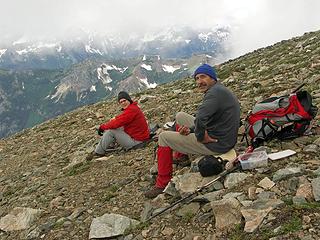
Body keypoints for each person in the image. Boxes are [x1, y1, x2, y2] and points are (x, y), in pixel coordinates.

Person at [144, 64, 241, 198]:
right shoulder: (218, 90)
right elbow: (206, 119)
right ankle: (181, 155)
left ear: (212, 78)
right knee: (180, 116)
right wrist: (190, 130)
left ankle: (162, 183)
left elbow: (201, 118)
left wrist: (201, 137)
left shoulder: (213, 94)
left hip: (217, 143)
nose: (199, 81)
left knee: (163, 137)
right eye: (197, 78)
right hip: (221, 133)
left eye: (203, 77)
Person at [86, 91, 150, 160]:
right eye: (121, 102)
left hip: (137, 143)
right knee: (116, 126)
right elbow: (120, 119)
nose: (123, 103)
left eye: (124, 100)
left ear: (128, 100)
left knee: (111, 131)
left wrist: (102, 127)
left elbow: (117, 123)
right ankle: (110, 144)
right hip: (140, 138)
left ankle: (98, 152)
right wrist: (112, 121)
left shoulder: (131, 110)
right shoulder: (133, 108)